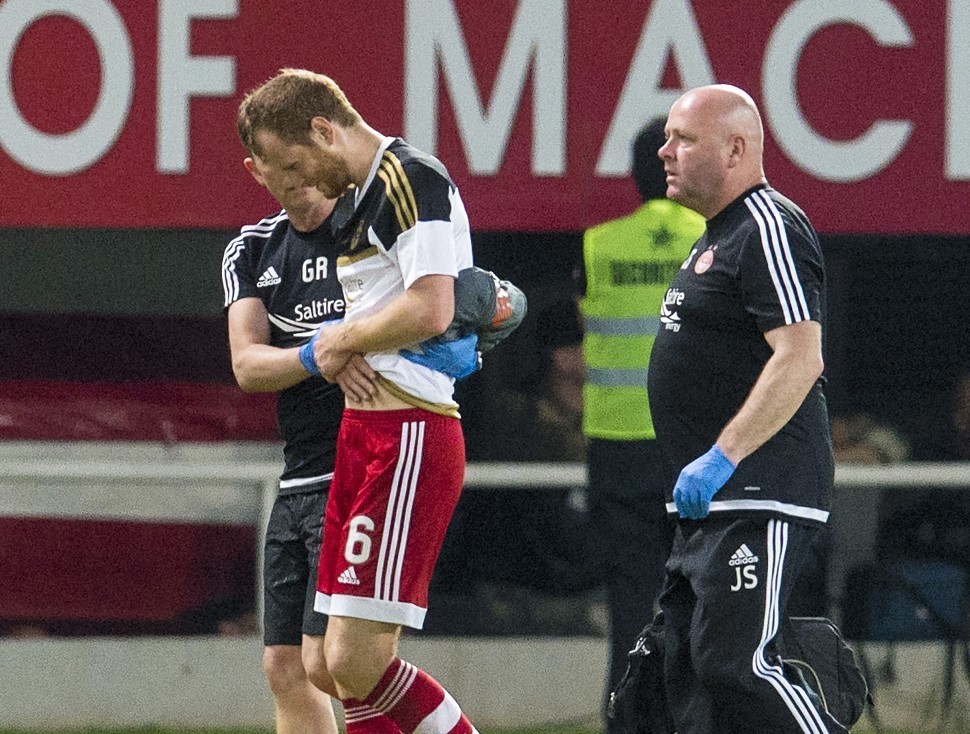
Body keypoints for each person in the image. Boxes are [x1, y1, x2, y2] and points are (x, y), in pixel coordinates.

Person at [236, 68, 479, 734]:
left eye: (296, 164)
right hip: (363, 439)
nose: (297, 183)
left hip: (410, 433)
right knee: (325, 666)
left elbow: (432, 306)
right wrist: (342, 348)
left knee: (354, 660)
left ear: (322, 130)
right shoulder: (362, 199)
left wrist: (339, 341)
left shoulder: (410, 177)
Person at [648, 84, 846, 733]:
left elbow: (799, 356)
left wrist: (721, 456)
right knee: (684, 674)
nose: (664, 150)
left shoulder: (767, 225)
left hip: (758, 489)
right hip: (713, 503)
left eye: (684, 138)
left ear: (736, 149)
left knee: (737, 664)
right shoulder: (719, 235)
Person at [578, 117, 706, 726]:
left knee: (632, 598)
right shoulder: (715, 237)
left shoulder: (598, 245)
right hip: (698, 451)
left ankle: (629, 719)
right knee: (702, 598)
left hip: (618, 449)